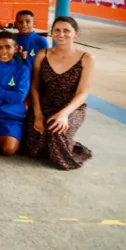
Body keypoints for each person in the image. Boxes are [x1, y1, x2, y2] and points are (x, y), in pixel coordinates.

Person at [25, 17, 93, 170]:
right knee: (33, 146)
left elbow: (82, 93)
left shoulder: (86, 59)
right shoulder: (42, 54)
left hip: (71, 107)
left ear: (76, 33)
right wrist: (38, 115)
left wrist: (64, 114)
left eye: (66, 30)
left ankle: (70, 145)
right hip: (44, 104)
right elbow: (34, 87)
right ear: (52, 33)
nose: (61, 34)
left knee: (57, 131)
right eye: (57, 30)